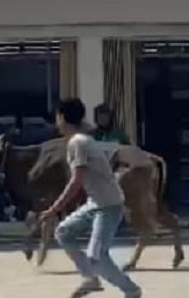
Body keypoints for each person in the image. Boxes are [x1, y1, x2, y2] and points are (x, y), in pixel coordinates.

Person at [40, 98, 141, 298]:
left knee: (98, 257)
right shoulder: (81, 140)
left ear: (62, 118)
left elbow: (77, 180)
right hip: (95, 203)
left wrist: (53, 209)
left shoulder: (78, 142)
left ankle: (131, 290)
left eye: (57, 118)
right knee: (64, 232)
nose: (57, 123)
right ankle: (90, 279)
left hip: (108, 205)